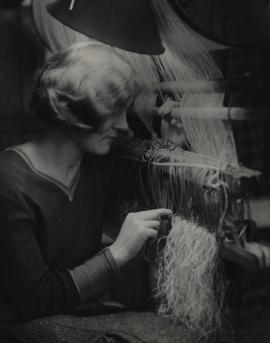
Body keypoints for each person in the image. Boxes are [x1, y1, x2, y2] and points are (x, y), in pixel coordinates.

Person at [0, 42, 190, 343]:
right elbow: (33, 301)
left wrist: (173, 143)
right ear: (75, 113)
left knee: (182, 333)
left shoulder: (99, 161)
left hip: (76, 312)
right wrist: (118, 253)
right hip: (20, 325)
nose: (123, 126)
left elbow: (147, 174)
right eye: (114, 112)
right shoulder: (9, 182)